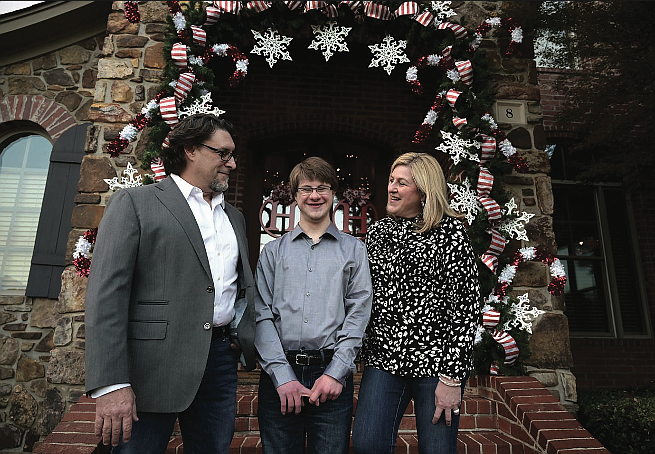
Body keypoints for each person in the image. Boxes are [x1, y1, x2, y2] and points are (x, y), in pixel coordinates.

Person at [84, 114, 257, 454]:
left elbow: (235, 288)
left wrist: (238, 338)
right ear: (191, 149)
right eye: (223, 153)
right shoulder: (136, 203)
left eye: (232, 155)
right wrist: (111, 383)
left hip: (220, 362)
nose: (232, 163)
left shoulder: (234, 217)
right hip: (150, 368)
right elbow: (106, 296)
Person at [352, 152, 479, 454]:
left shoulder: (451, 233)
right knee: (368, 443)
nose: (392, 188)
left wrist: (452, 378)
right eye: (391, 181)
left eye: (402, 183)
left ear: (424, 191)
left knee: (437, 449)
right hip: (384, 360)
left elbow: (466, 308)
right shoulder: (380, 231)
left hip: (437, 366)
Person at [254, 156, 373, 454]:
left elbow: (358, 313)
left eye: (322, 188)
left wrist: (337, 372)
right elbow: (260, 314)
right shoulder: (272, 253)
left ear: (334, 193)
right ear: (295, 196)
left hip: (332, 375)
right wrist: (282, 377)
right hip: (278, 378)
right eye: (306, 189)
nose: (315, 195)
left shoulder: (354, 250)